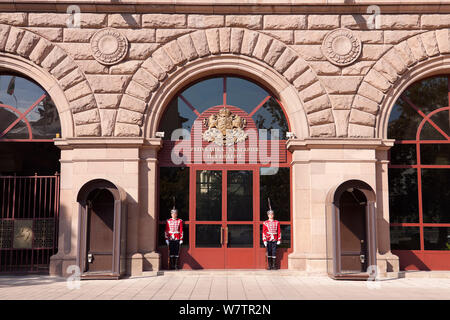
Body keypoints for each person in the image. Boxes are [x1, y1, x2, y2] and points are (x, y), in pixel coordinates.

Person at [262, 204, 281, 270]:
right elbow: (264, 232)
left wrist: (279, 239)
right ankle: (269, 266)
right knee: (269, 252)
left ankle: (274, 266)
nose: (271, 215)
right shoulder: (265, 223)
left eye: (272, 214)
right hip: (268, 239)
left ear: (273, 215)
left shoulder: (277, 222)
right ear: (268, 215)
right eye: (270, 214)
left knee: (274, 252)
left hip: (274, 239)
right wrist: (264, 240)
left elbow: (279, 231)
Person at [165, 205, 183, 270]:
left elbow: (181, 230)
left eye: (175, 214)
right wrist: (166, 239)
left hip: (177, 237)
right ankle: (172, 265)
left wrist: (181, 239)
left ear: (177, 214)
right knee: (171, 251)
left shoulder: (179, 221)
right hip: (170, 238)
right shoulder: (168, 221)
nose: (174, 215)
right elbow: (166, 230)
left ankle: (176, 265)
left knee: (176, 251)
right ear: (171, 214)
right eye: (173, 214)